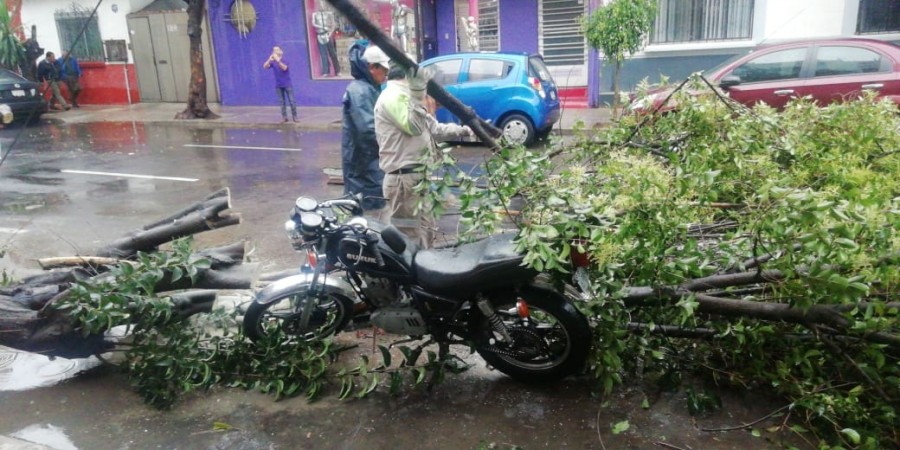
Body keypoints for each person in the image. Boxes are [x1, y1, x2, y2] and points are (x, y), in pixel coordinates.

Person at [374, 61, 473, 248]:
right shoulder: (393, 97)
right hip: (404, 179)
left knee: (425, 230)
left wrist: (465, 130)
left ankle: (425, 271)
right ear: (408, 78)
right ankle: (410, 276)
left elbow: (432, 127)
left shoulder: (406, 97)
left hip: (415, 178)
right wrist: (417, 95)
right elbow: (415, 126)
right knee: (409, 236)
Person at [341, 43, 390, 217]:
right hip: (364, 167)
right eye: (383, 70)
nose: (385, 75)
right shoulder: (360, 92)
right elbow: (368, 131)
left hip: (369, 165)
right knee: (371, 217)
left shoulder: (368, 88)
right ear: (371, 67)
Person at [262, 45, 297, 122]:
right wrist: (269, 59)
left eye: (277, 50)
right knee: (282, 102)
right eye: (274, 50)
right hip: (278, 85)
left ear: (281, 51)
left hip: (287, 84)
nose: (275, 52)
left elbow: (284, 68)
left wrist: (278, 61)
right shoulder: (273, 62)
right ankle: (284, 117)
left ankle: (295, 116)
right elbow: (264, 66)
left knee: (292, 101)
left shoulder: (285, 60)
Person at [312, 7, 341, 76]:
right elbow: (313, 23)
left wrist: (330, 33)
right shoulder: (315, 14)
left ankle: (338, 71)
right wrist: (322, 27)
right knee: (323, 55)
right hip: (320, 35)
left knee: (333, 54)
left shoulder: (328, 14)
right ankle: (326, 71)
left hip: (327, 35)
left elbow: (333, 24)